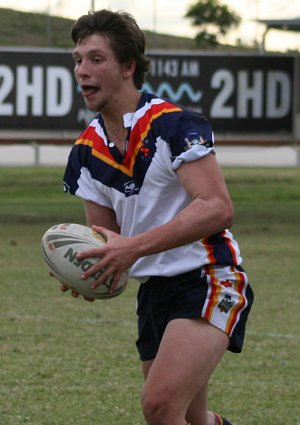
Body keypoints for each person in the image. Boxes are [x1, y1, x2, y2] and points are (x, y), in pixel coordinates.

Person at [62, 9, 254, 425]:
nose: (82, 70)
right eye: (78, 59)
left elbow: (217, 207)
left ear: (129, 66)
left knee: (160, 405)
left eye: (96, 59)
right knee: (187, 417)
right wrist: (89, 271)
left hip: (210, 275)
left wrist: (130, 248)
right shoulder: (85, 152)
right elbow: (107, 241)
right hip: (155, 292)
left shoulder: (174, 126)